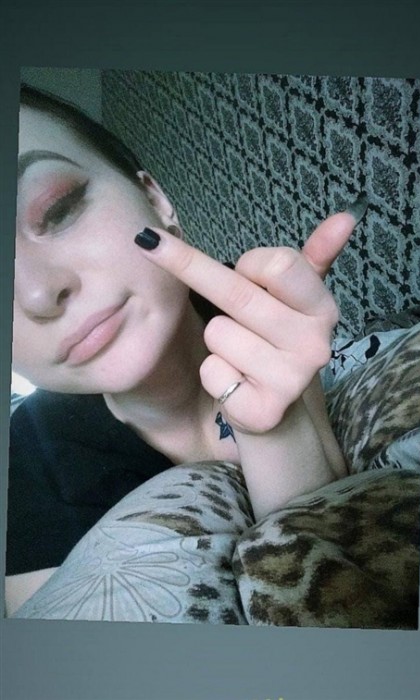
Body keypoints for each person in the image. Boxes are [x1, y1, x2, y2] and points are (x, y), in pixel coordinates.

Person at [5, 83, 366, 617]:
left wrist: (276, 427)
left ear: (155, 200)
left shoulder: (258, 312)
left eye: (57, 209)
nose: (37, 293)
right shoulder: (23, 465)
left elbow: (339, 582)